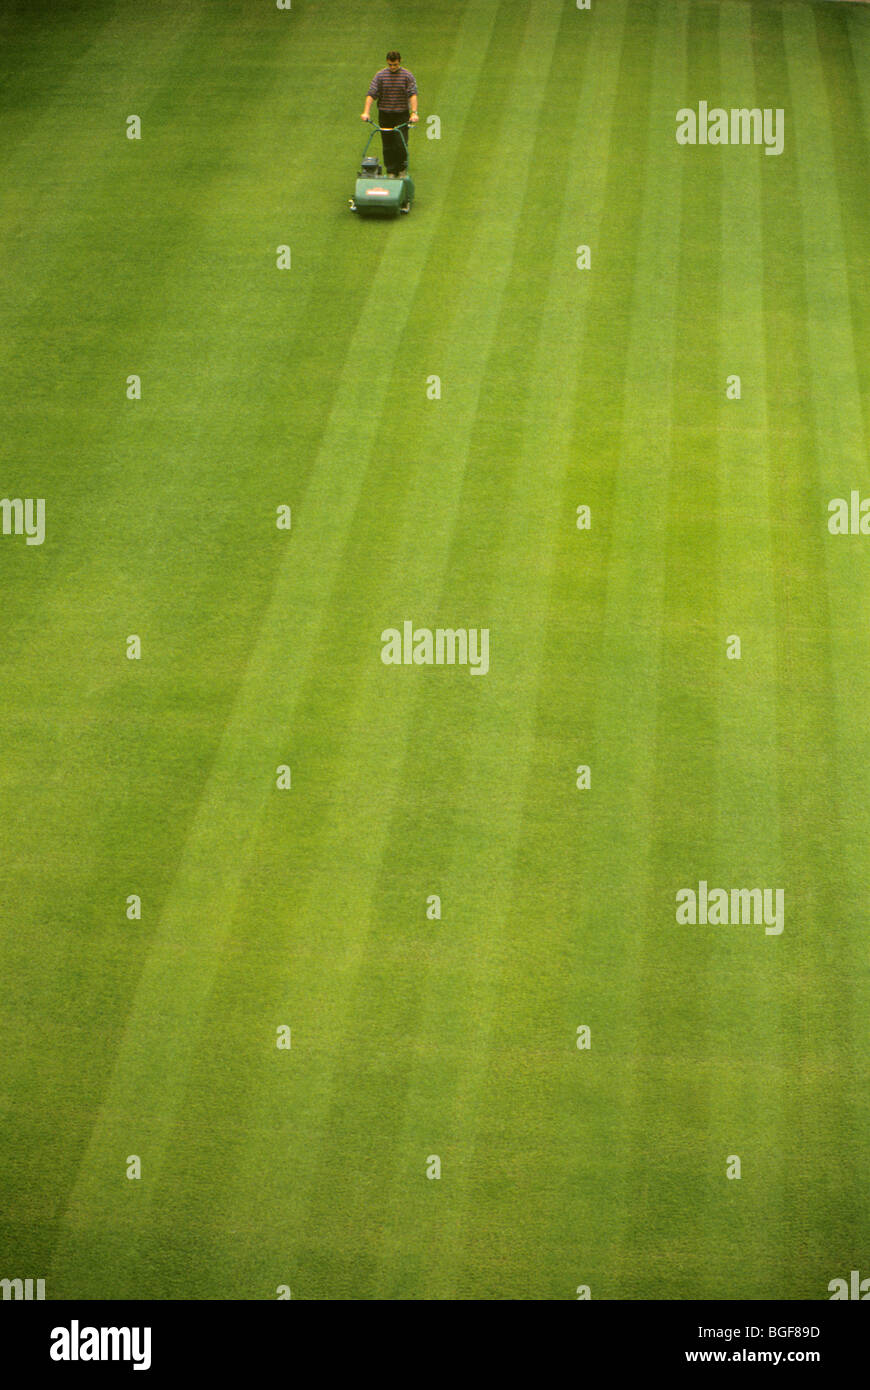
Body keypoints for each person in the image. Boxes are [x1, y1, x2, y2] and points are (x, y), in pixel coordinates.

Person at [361, 51, 419, 177]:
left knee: (400, 144)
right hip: (385, 115)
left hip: (401, 114)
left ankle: (402, 169)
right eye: (390, 65)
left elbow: (412, 94)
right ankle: (391, 171)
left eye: (395, 65)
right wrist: (366, 112)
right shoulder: (380, 76)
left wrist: (414, 113)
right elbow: (371, 94)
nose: (393, 67)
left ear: (399, 62)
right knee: (388, 145)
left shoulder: (407, 76)